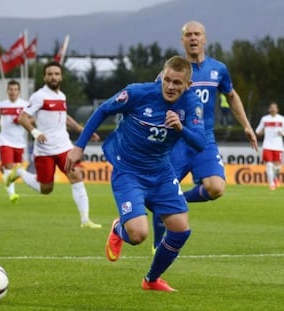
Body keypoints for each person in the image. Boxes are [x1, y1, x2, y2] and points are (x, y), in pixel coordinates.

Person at [65, 55, 205, 291]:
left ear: (188, 85)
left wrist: (181, 128)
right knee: (138, 234)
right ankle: (119, 228)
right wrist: (79, 146)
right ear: (161, 76)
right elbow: (103, 110)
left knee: (181, 229)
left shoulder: (191, 104)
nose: (170, 87)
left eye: (177, 83)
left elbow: (200, 142)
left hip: (161, 171)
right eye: (167, 80)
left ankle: (151, 280)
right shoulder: (138, 93)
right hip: (128, 170)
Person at [152, 20, 258, 251]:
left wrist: (247, 126)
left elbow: (231, 95)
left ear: (204, 39)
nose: (192, 38)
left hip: (203, 139)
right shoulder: (171, 72)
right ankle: (156, 243)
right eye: (188, 35)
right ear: (182, 41)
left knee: (216, 187)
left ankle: (178, 202)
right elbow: (154, 99)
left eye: (196, 34)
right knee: (160, 191)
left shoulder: (218, 69)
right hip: (175, 140)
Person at [9, 61, 102, 229]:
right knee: (46, 189)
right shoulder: (39, 96)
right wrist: (35, 132)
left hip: (64, 146)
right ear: (44, 77)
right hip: (44, 150)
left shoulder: (62, 96)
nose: (53, 77)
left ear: (61, 76)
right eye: (50, 74)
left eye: (56, 74)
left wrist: (83, 131)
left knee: (76, 175)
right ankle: (20, 172)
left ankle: (85, 220)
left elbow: (65, 117)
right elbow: (22, 117)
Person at [0, 80, 28, 203]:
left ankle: (4, 170)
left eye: (15, 89)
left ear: (19, 91)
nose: (13, 92)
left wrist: (22, 120)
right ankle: (12, 195)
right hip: (5, 141)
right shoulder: (2, 105)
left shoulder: (25, 105)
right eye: (11, 89)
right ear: (7, 91)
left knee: (18, 169)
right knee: (9, 167)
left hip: (19, 142)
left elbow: (31, 120)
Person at [255, 101, 284, 190]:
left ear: (277, 109)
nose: (273, 109)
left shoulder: (282, 119)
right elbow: (257, 131)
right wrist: (262, 132)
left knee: (278, 167)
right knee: (269, 165)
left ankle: (275, 178)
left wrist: (282, 133)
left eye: (274, 107)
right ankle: (271, 184)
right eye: (271, 107)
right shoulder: (265, 119)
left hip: (278, 146)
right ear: (269, 109)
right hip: (267, 145)